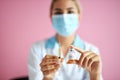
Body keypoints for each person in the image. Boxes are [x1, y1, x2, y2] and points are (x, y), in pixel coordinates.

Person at [28, 0, 103, 80]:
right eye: (58, 13)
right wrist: (48, 77)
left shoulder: (91, 51)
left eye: (70, 11)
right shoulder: (37, 49)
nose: (64, 17)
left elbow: (95, 75)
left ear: (79, 16)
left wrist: (95, 75)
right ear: (51, 17)